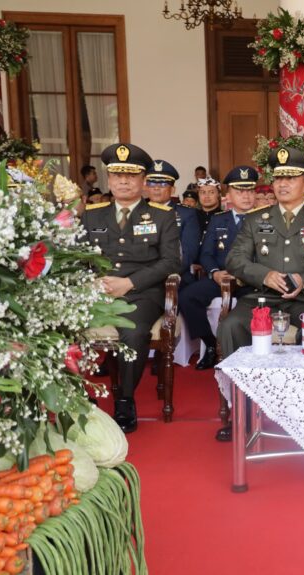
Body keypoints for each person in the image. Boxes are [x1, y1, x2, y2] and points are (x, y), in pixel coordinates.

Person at [216, 146, 304, 439]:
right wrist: (264, 274)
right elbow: (234, 260)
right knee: (230, 325)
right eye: (278, 178)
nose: (282, 184)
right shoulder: (255, 219)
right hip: (260, 297)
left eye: (291, 178)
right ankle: (243, 409)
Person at [82, 143, 181, 433]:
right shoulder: (92, 215)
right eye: (117, 175)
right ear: (109, 179)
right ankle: (81, 395)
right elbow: (78, 258)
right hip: (98, 292)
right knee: (61, 325)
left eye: (131, 175)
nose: (123, 181)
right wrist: (92, 281)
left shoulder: (162, 216)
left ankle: (125, 399)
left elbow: (171, 262)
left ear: (142, 181)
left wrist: (129, 282)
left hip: (142, 291)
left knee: (135, 331)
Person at [181, 166, 259, 370]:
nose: (246, 196)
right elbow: (205, 253)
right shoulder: (218, 219)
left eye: (250, 191)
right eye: (240, 191)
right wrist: (215, 273)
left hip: (253, 281)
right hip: (222, 277)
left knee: (249, 310)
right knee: (187, 297)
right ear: (229, 195)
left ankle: (245, 350)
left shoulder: (264, 220)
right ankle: (209, 344)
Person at [144, 160, 201, 288]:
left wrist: (159, 275)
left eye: (163, 184)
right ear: (146, 187)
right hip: (142, 277)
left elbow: (188, 254)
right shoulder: (138, 213)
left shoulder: (187, 214)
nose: (157, 188)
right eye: (152, 183)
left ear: (173, 189)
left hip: (175, 276)